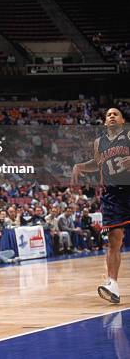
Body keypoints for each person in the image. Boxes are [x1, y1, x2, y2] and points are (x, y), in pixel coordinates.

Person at [72, 107, 130, 304]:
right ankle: (112, 284)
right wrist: (80, 166)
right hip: (112, 194)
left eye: (115, 114)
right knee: (114, 240)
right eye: (108, 114)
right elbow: (97, 164)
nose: (111, 116)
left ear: (122, 120)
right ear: (105, 121)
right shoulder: (99, 143)